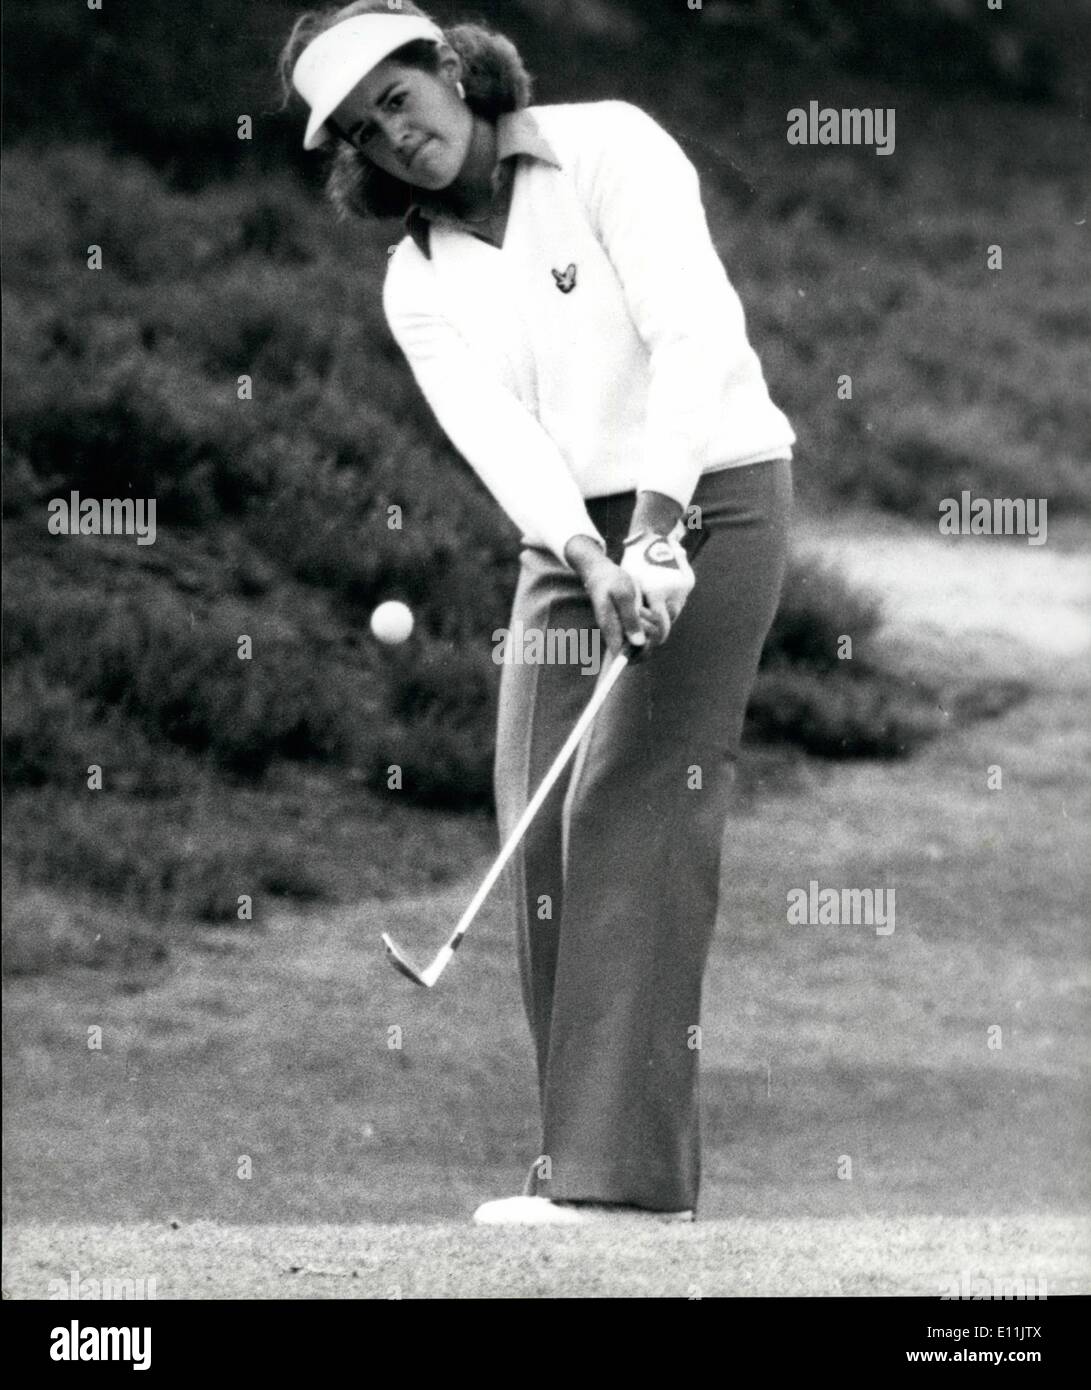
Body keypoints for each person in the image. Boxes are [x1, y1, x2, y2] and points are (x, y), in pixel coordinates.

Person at [281, 0, 795, 1224]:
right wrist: (586, 547)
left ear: (451, 67)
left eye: (397, 99)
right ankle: (583, 1162)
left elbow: (694, 332)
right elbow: (500, 437)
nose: (392, 137)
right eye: (362, 130)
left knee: (632, 803)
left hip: (709, 491)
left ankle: (621, 1184)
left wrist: (657, 527)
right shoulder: (414, 280)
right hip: (570, 535)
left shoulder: (609, 143)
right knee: (540, 809)